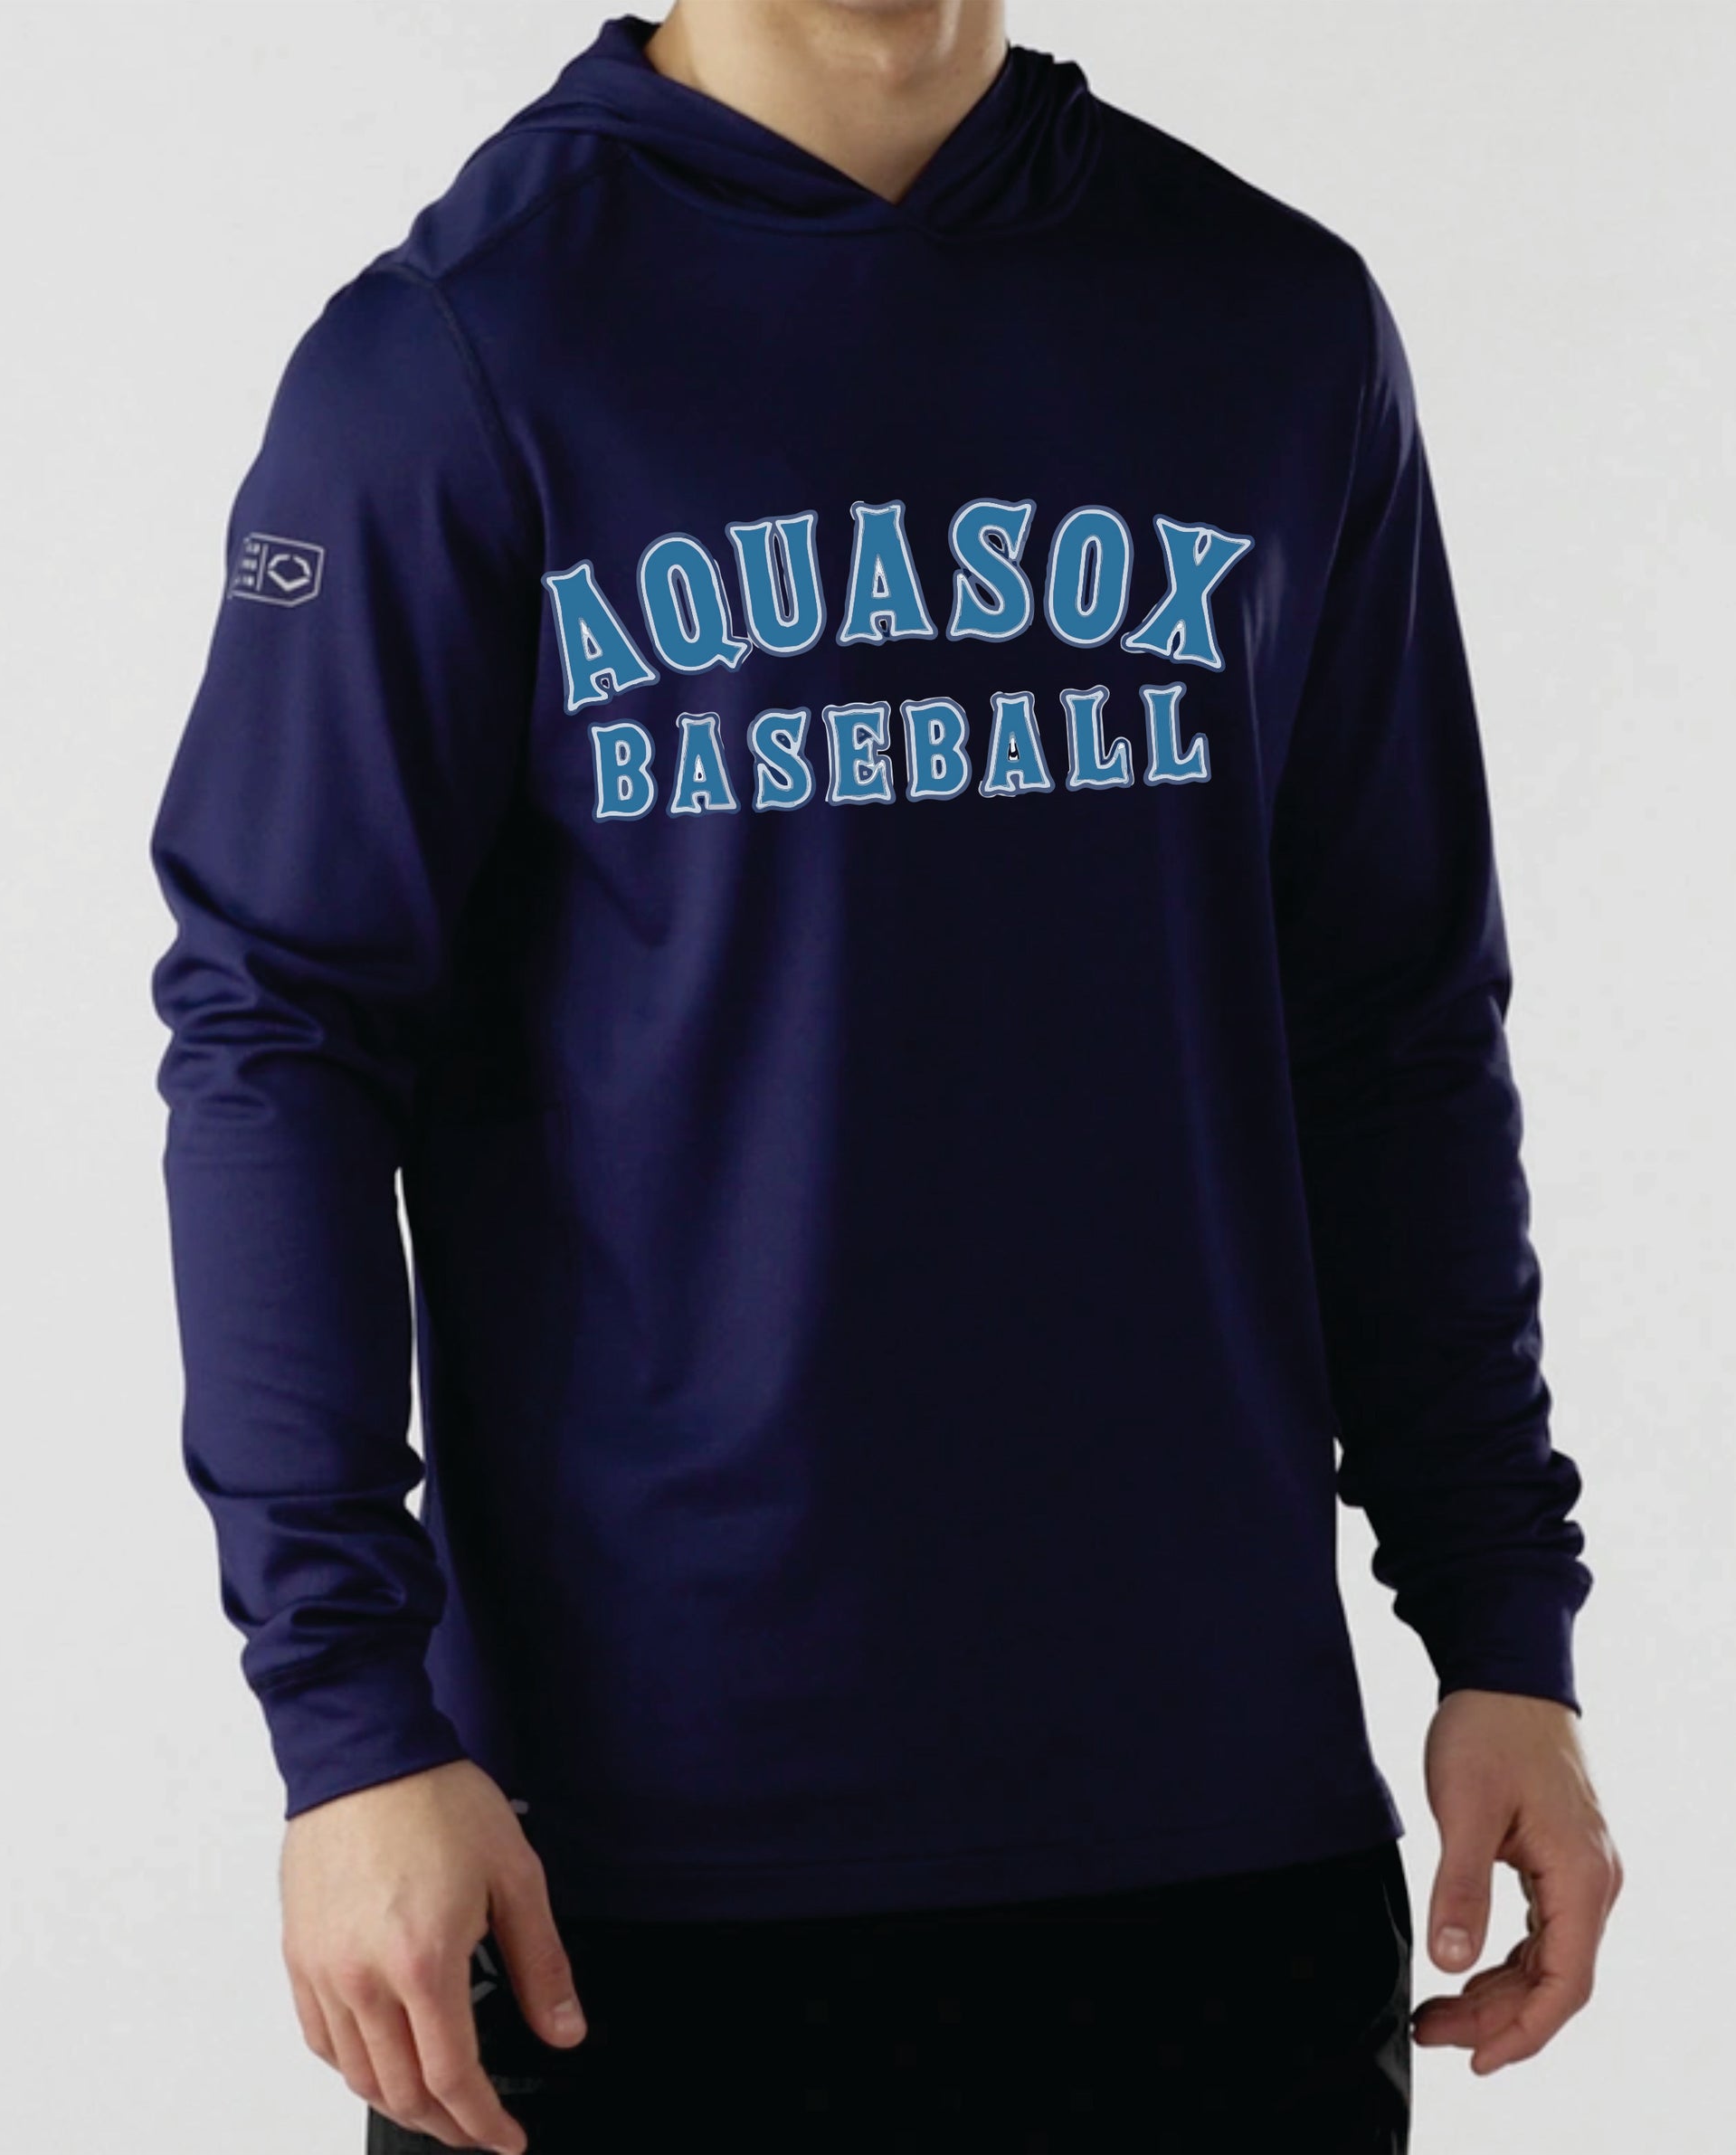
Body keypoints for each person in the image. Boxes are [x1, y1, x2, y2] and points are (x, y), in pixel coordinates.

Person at [146, 4, 1624, 2150]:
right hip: (613, 1875)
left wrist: (1502, 1630)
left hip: (1207, 1834)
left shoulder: (1269, 321)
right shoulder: (459, 354)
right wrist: (349, 1723)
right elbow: (278, 1041)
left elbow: (1392, 1027)